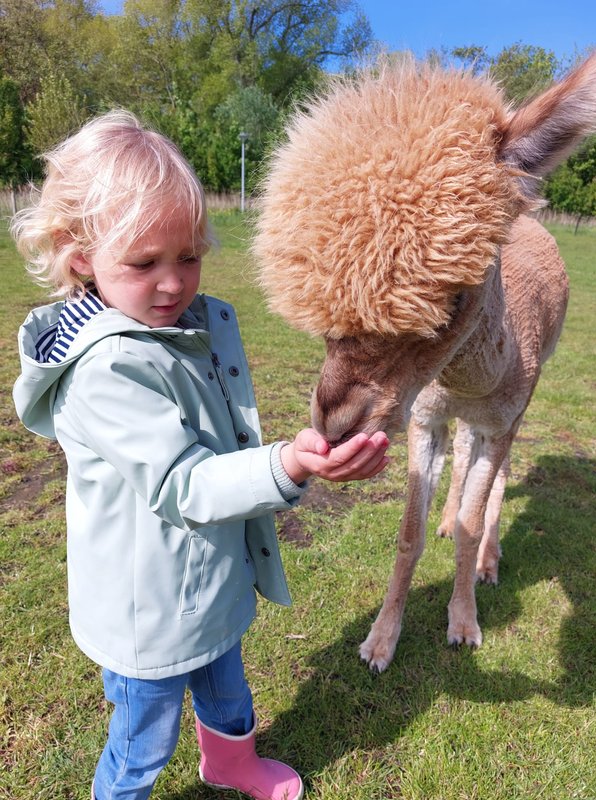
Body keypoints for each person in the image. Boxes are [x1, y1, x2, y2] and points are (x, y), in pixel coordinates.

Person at [12, 110, 390, 800]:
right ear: (79, 257)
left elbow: (221, 436)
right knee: (142, 738)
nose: (173, 282)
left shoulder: (188, 328)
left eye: (188, 256)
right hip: (147, 610)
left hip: (207, 575)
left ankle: (231, 762)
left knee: (226, 682)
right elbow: (185, 482)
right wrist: (290, 465)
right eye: (144, 262)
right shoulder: (106, 372)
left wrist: (295, 454)